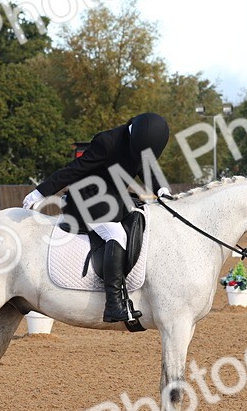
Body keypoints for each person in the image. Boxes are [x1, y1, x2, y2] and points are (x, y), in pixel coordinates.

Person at [22, 112, 170, 323]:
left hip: (111, 198)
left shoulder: (140, 144)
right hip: (85, 199)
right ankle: (113, 304)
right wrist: (41, 191)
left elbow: (147, 170)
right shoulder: (107, 142)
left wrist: (161, 189)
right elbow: (74, 169)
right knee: (117, 234)